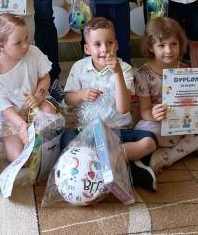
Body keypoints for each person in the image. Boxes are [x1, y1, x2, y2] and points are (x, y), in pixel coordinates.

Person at [62, 17, 158, 192]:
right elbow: (68, 99)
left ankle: (103, 161)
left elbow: (124, 108)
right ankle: (129, 167)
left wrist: (117, 73)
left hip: (118, 131)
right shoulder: (79, 67)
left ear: (117, 45)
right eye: (97, 44)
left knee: (149, 141)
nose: (104, 49)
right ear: (87, 49)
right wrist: (82, 94)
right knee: (67, 139)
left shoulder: (125, 68)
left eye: (109, 43)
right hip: (88, 132)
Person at [134, 17, 198, 172]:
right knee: (145, 132)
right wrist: (154, 114)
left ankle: (167, 156)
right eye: (161, 45)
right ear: (150, 47)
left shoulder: (185, 69)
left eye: (173, 44)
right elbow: (144, 112)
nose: (168, 50)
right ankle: (195, 145)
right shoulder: (143, 74)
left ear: (180, 44)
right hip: (159, 123)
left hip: (184, 120)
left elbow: (197, 104)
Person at [0, 13, 60, 161]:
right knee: (18, 157)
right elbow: (3, 106)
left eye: (26, 38)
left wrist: (38, 96)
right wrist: (20, 125)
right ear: (1, 46)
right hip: (12, 116)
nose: (25, 45)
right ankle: (18, 138)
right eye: (18, 43)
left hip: (35, 103)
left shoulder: (34, 52)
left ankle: (36, 136)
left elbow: (45, 77)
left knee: (49, 112)